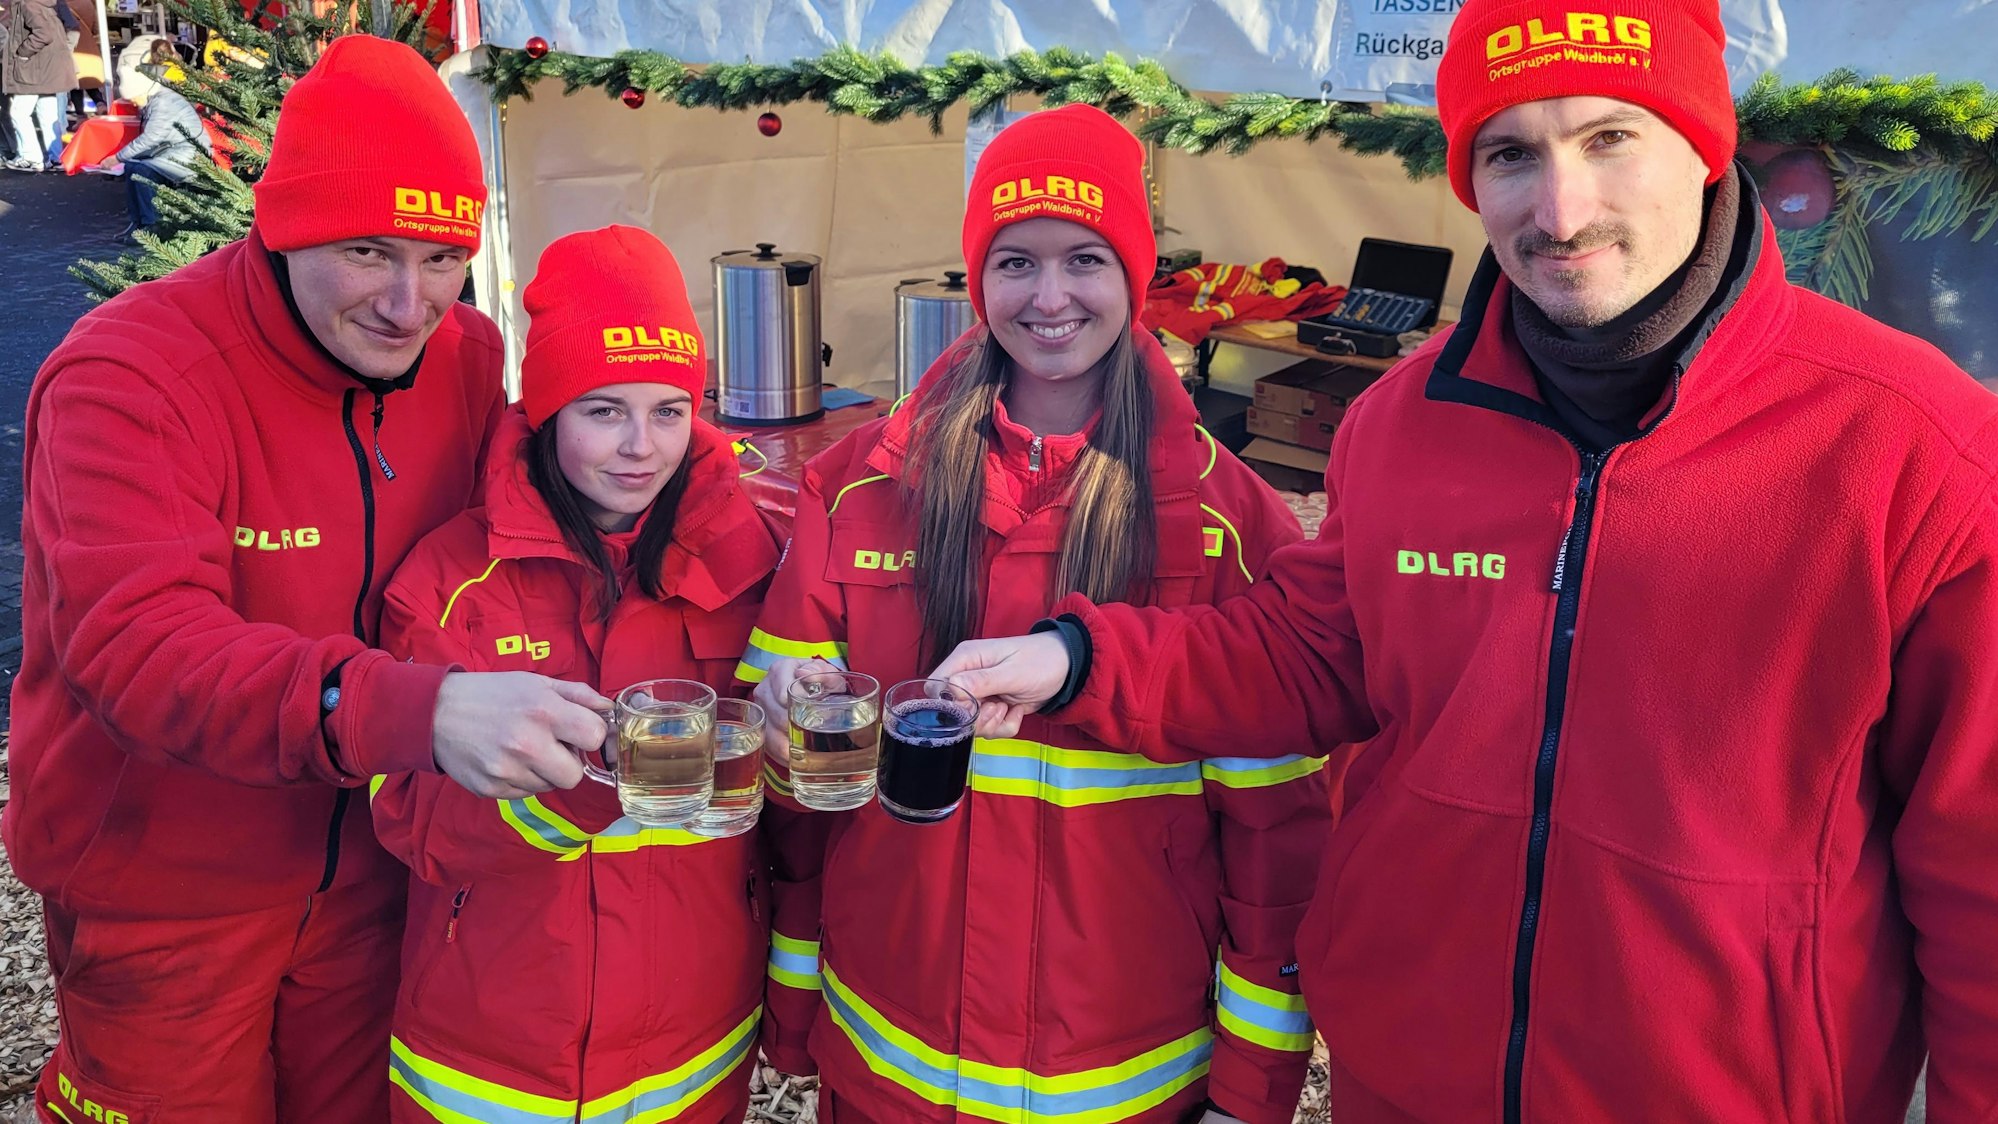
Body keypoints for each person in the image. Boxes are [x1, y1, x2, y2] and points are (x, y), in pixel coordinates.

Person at [937, 1, 1998, 1121]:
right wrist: (1074, 658)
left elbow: (1983, 876)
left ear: (1703, 144)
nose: (1560, 208)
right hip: (1410, 1070)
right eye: (1510, 153)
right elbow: (1307, 652)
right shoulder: (1405, 420)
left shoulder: (1912, 445)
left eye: (1608, 137)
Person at [6, 36, 614, 1124]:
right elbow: (138, 647)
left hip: (381, 871)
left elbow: (540, 528)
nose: (409, 300)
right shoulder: (132, 373)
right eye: (371, 251)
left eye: (441, 256)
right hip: (167, 889)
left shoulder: (469, 357)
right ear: (283, 228)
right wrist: (413, 710)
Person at [747, 104, 1331, 1124]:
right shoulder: (854, 490)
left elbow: (1280, 840)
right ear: (978, 278)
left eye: (1086, 259)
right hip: (888, 1063)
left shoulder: (1232, 523)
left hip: (1122, 1077)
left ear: (1136, 275)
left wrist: (1252, 1088)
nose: (1049, 295)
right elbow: (788, 806)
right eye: (1015, 261)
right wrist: (780, 729)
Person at [369, 225, 804, 1122]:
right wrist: (582, 785)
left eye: (669, 410)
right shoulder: (453, 582)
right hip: (490, 1055)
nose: (641, 446)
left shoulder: (752, 561)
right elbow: (406, 819)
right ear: (547, 410)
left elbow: (789, 824)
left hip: (698, 1042)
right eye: (604, 410)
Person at [106, 61, 212, 241]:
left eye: (133, 96)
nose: (132, 101)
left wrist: (117, 158)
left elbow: (151, 138)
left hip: (189, 155)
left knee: (141, 171)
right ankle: (138, 222)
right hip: (174, 151)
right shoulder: (159, 98)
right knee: (132, 167)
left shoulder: (163, 103)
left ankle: (152, 225)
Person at [3, 0, 76, 172]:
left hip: (35, 69)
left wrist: (22, 52)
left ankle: (31, 158)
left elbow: (43, 34)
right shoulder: (43, 4)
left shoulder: (28, 5)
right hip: (49, 68)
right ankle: (57, 158)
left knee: (19, 113)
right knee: (48, 115)